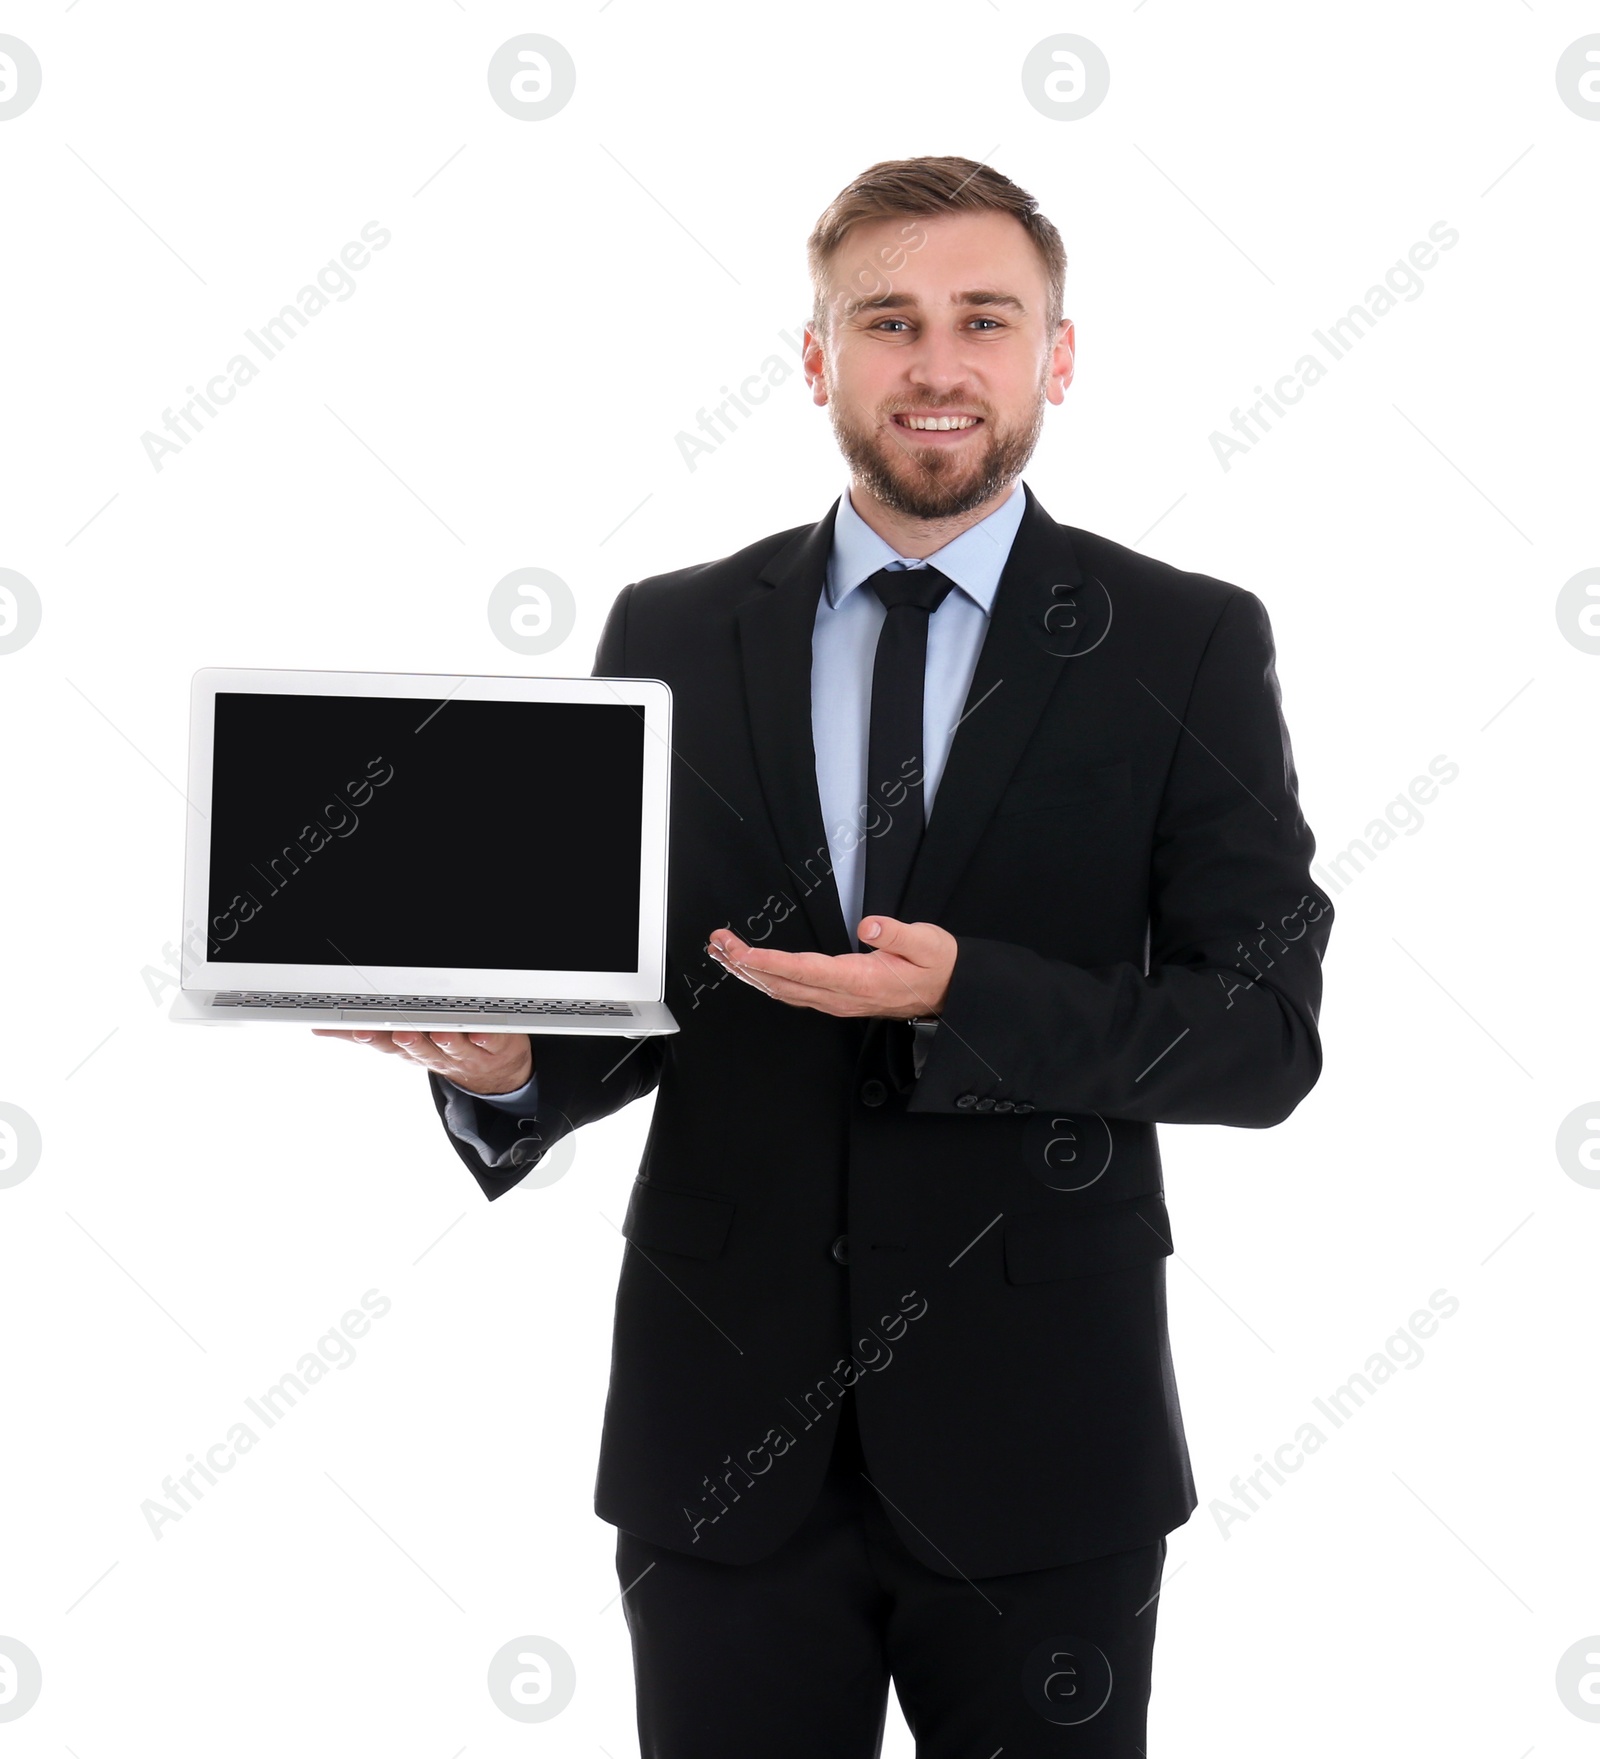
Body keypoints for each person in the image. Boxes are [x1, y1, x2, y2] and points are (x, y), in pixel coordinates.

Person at [318, 154, 1332, 1757]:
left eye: (986, 320)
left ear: (1057, 356)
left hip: (1044, 1443)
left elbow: (1262, 1035)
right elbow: (643, 986)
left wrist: (963, 998)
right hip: (719, 1443)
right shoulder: (670, 627)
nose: (938, 365)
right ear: (816, 359)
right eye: (889, 320)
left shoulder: (1184, 641)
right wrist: (517, 1066)